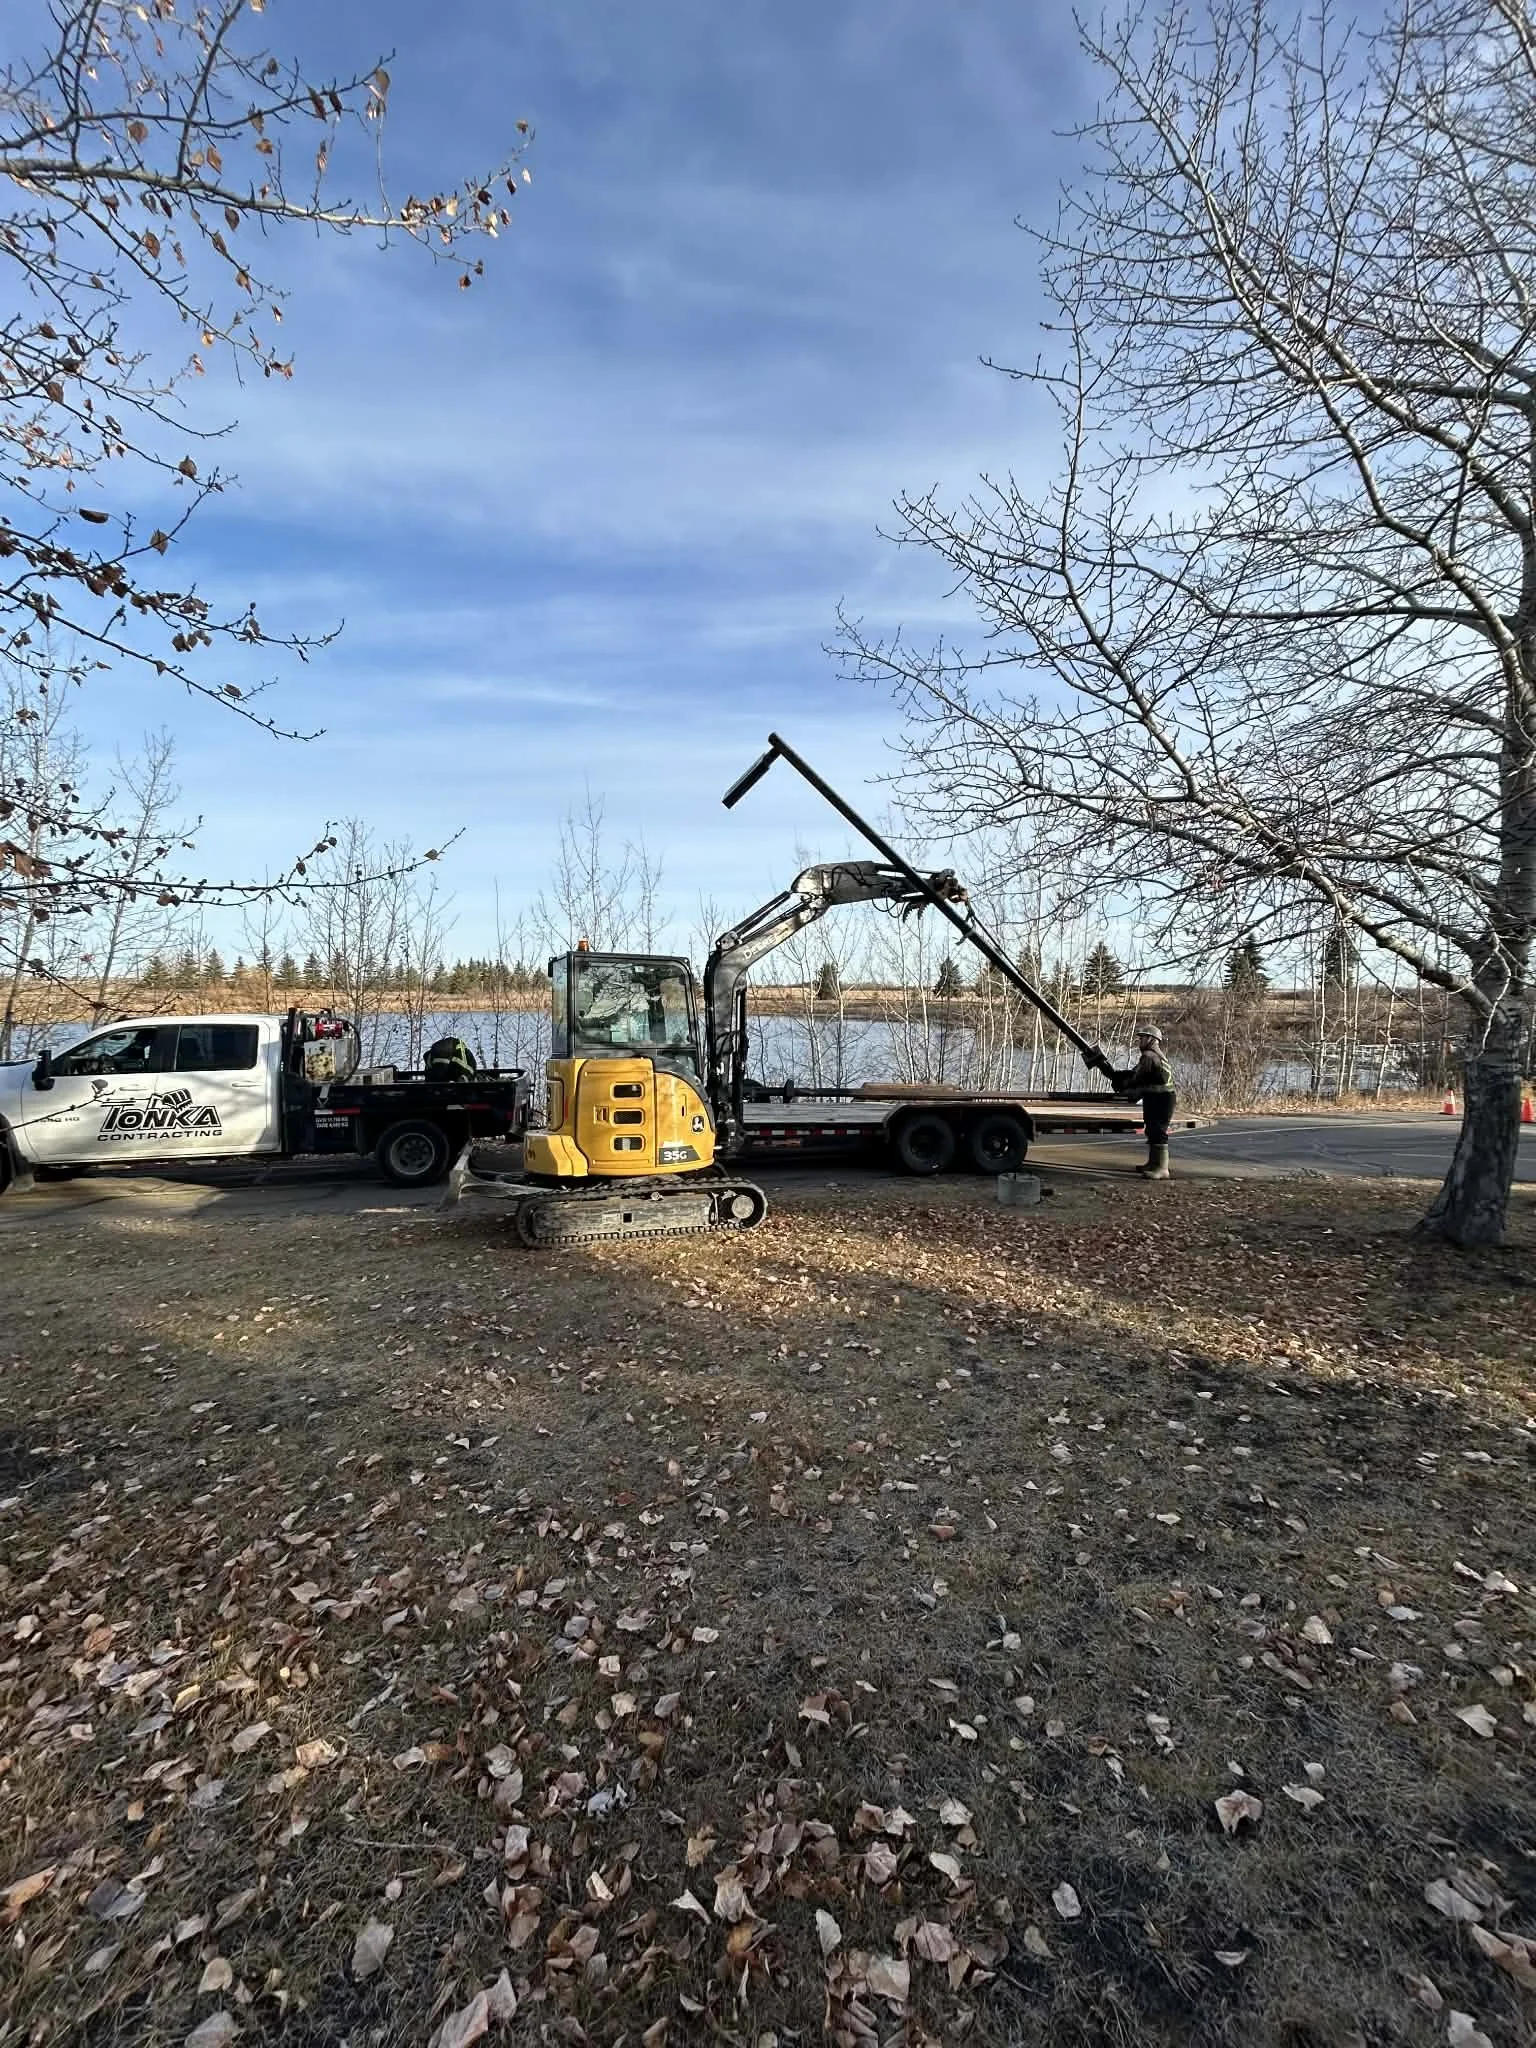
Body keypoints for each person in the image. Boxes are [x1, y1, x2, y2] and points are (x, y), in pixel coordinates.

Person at [1091, 1026, 1176, 1179]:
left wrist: (1119, 1083)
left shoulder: (1149, 1056)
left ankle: (1162, 1169)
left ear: (1152, 1040)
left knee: (1158, 1131)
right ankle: (1153, 1164)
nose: (1140, 1041)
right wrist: (1118, 1077)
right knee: (1152, 1129)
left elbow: (1135, 1079)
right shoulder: (1154, 1056)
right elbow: (1135, 1074)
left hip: (1161, 1099)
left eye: (1143, 1038)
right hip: (1157, 1097)